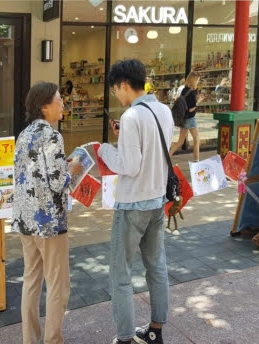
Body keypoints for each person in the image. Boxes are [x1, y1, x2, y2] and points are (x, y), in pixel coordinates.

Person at [98, 59, 173, 344]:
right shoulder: (164, 111)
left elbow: (128, 166)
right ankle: (156, 330)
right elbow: (155, 148)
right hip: (157, 200)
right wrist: (124, 137)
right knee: (156, 265)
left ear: (123, 85)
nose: (117, 96)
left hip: (131, 206)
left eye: (116, 90)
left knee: (120, 273)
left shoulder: (131, 117)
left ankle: (125, 338)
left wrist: (104, 149)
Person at [12, 82, 82, 344]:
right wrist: (72, 170)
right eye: (59, 99)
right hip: (49, 222)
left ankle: (30, 339)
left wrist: (60, 168)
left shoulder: (24, 134)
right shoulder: (53, 136)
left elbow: (30, 175)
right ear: (44, 106)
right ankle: (53, 340)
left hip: (25, 219)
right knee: (58, 285)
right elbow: (56, 182)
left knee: (31, 281)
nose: (63, 103)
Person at [169, 71, 204, 162]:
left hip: (183, 119)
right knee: (196, 140)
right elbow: (191, 109)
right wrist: (199, 101)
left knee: (180, 141)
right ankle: (196, 161)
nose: (198, 82)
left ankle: (167, 157)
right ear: (194, 80)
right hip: (190, 119)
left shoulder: (184, 89)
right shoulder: (192, 92)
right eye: (198, 80)